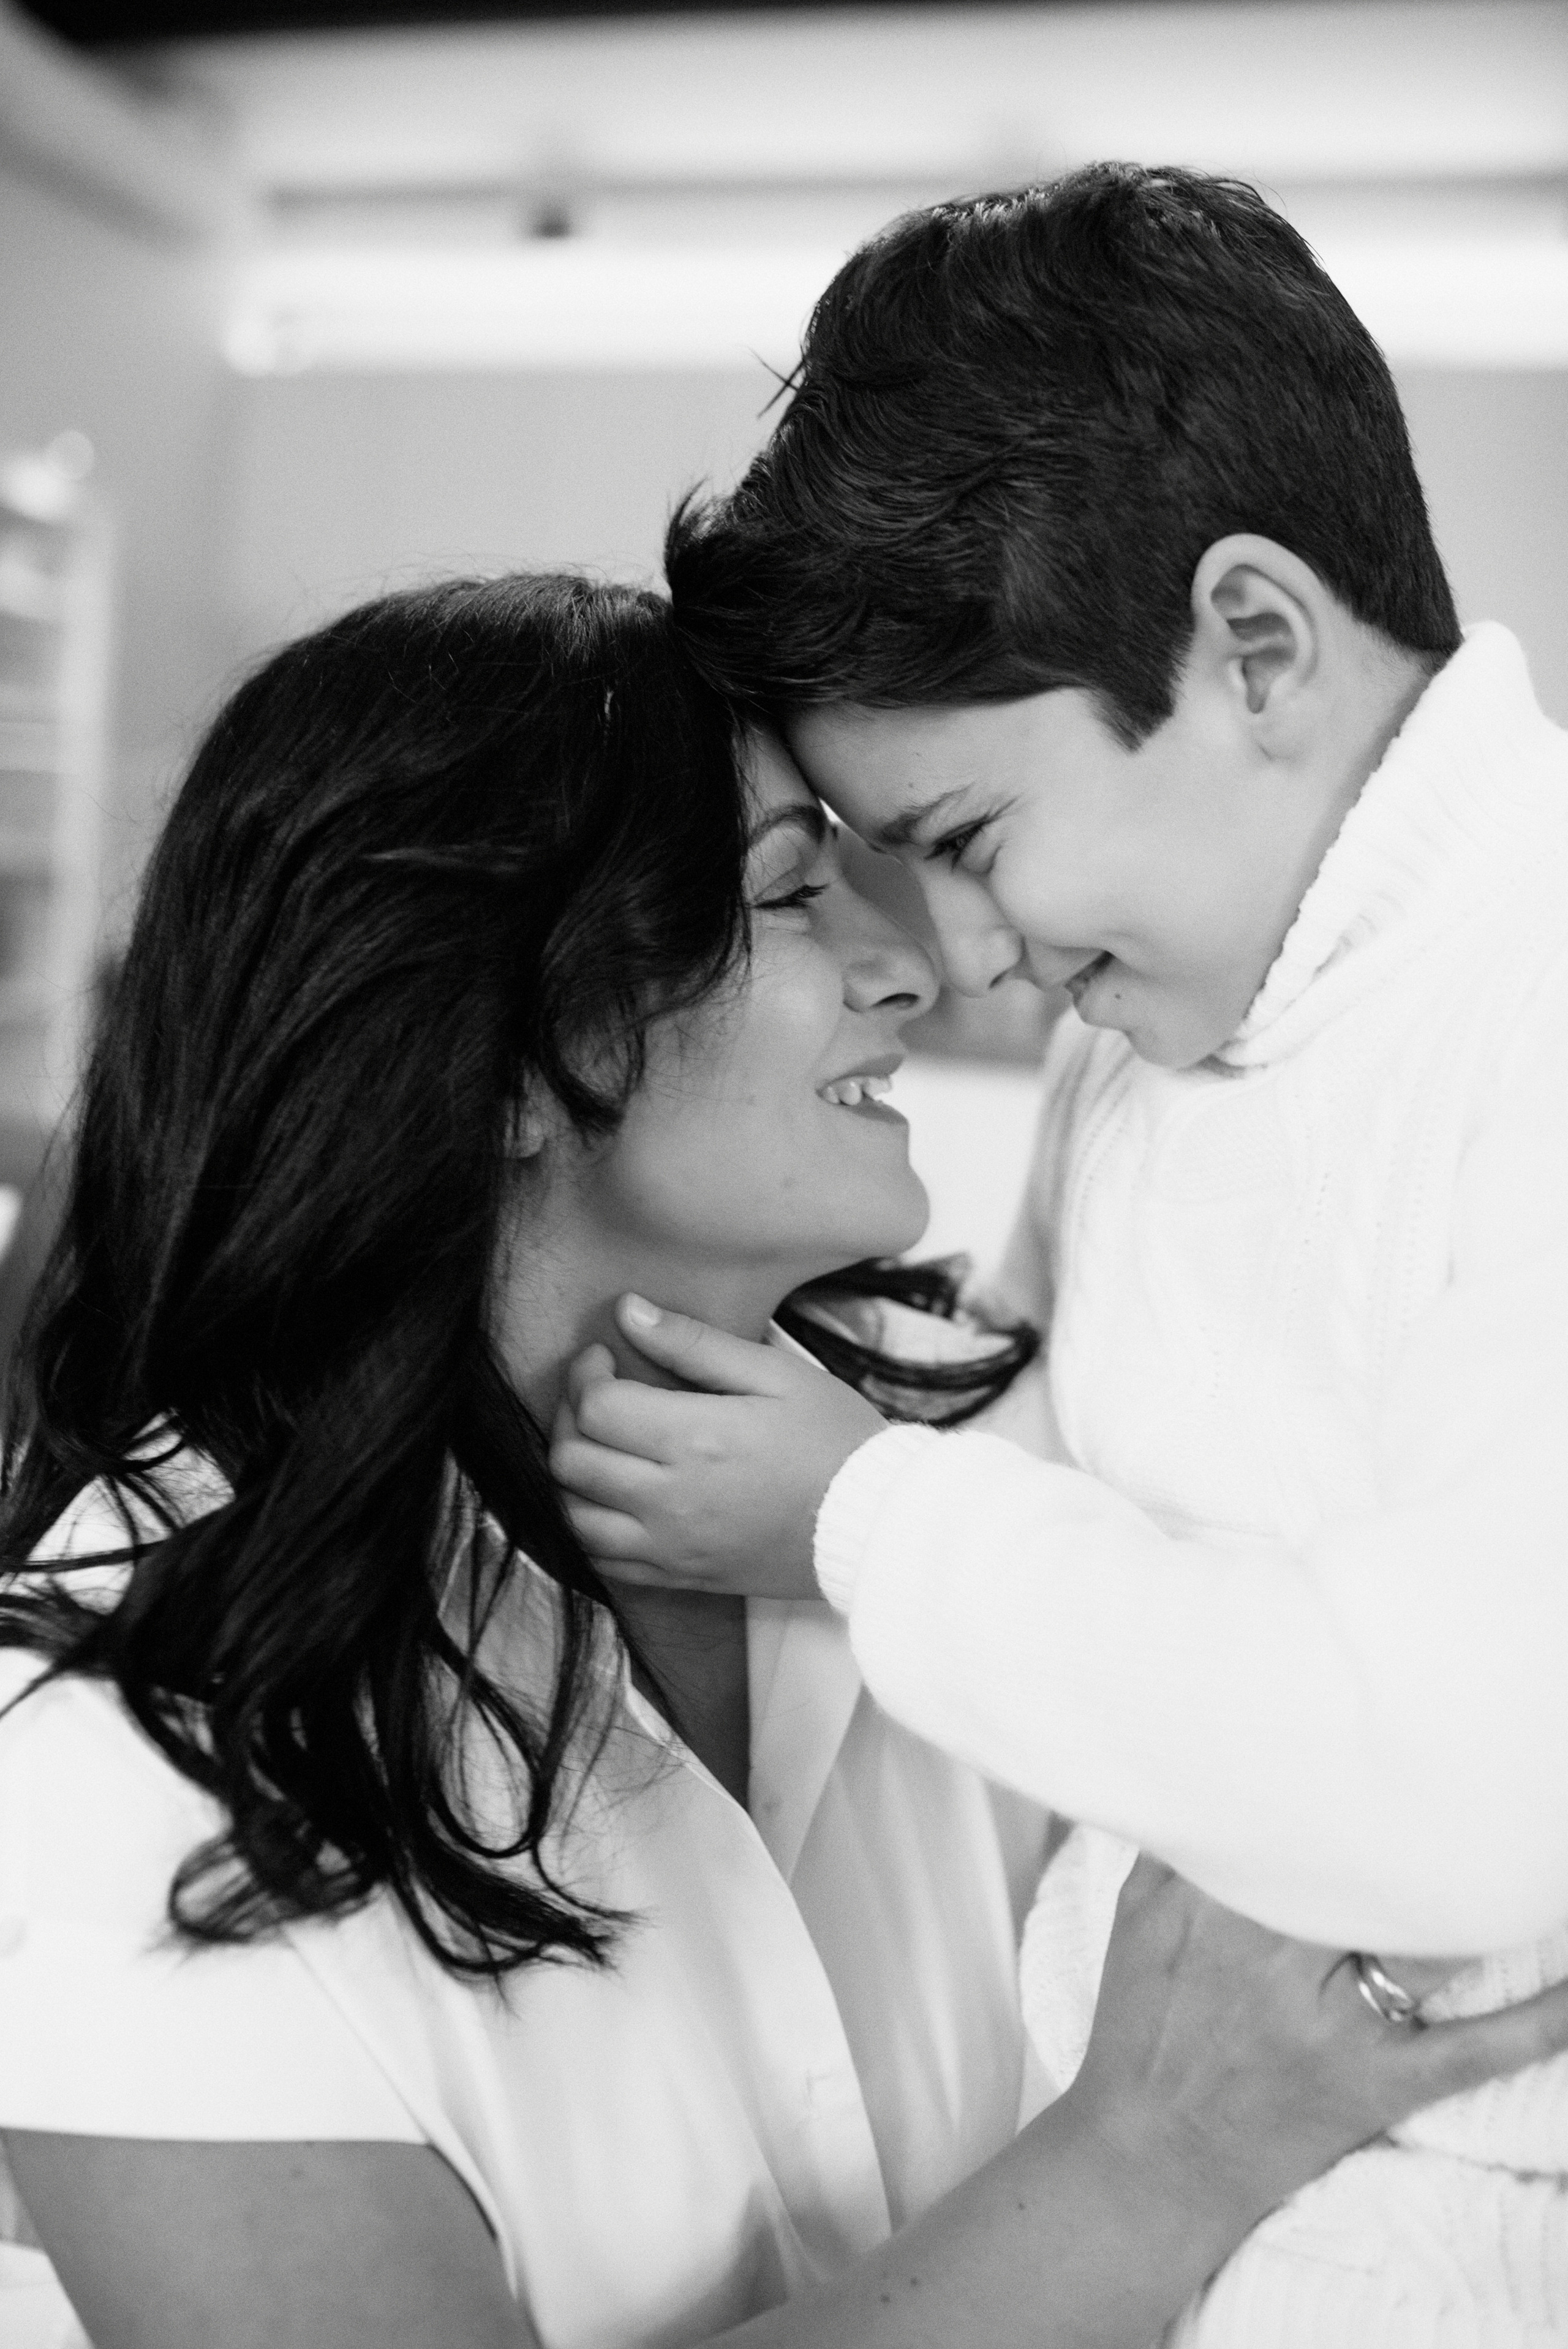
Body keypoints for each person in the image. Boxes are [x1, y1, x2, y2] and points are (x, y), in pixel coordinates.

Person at [2, 575, 1547, 2349]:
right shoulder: (122, 1750)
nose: (920, 962)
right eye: (797, 895)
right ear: (510, 1053)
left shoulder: (977, 1444)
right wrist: (1150, 2159)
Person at [548, 167, 1568, 2342]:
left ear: (1257, 649)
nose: (977, 956)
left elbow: (1472, 1777)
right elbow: (1041, 1426)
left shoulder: (1533, 1004)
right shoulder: (1177, 1019)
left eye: (967, 847)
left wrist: (856, 1515)